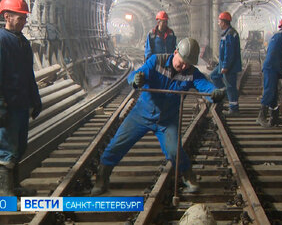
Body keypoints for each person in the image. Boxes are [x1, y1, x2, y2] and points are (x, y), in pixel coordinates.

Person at [91, 38, 226, 196]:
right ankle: (102, 179)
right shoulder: (157, 61)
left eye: (188, 64)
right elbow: (137, 73)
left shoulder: (192, 73)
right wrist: (135, 80)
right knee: (117, 145)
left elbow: (205, 86)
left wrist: (213, 93)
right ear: (175, 52)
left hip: (167, 120)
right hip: (141, 114)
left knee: (174, 150)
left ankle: (188, 176)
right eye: (181, 62)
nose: (183, 67)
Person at [0, 0, 42, 196]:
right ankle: (6, 197)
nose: (24, 21)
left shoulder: (22, 42)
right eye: (20, 17)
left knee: (18, 148)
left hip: (22, 105)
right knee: (6, 150)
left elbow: (28, 74)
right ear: (7, 16)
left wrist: (35, 99)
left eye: (25, 18)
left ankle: (14, 189)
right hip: (8, 107)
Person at [210, 11, 242, 116]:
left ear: (224, 22)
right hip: (223, 63)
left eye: (219, 21)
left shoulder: (230, 34)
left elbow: (230, 53)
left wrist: (225, 66)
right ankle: (224, 94)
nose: (218, 23)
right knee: (214, 75)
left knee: (230, 86)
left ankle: (234, 109)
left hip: (229, 66)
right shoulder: (226, 33)